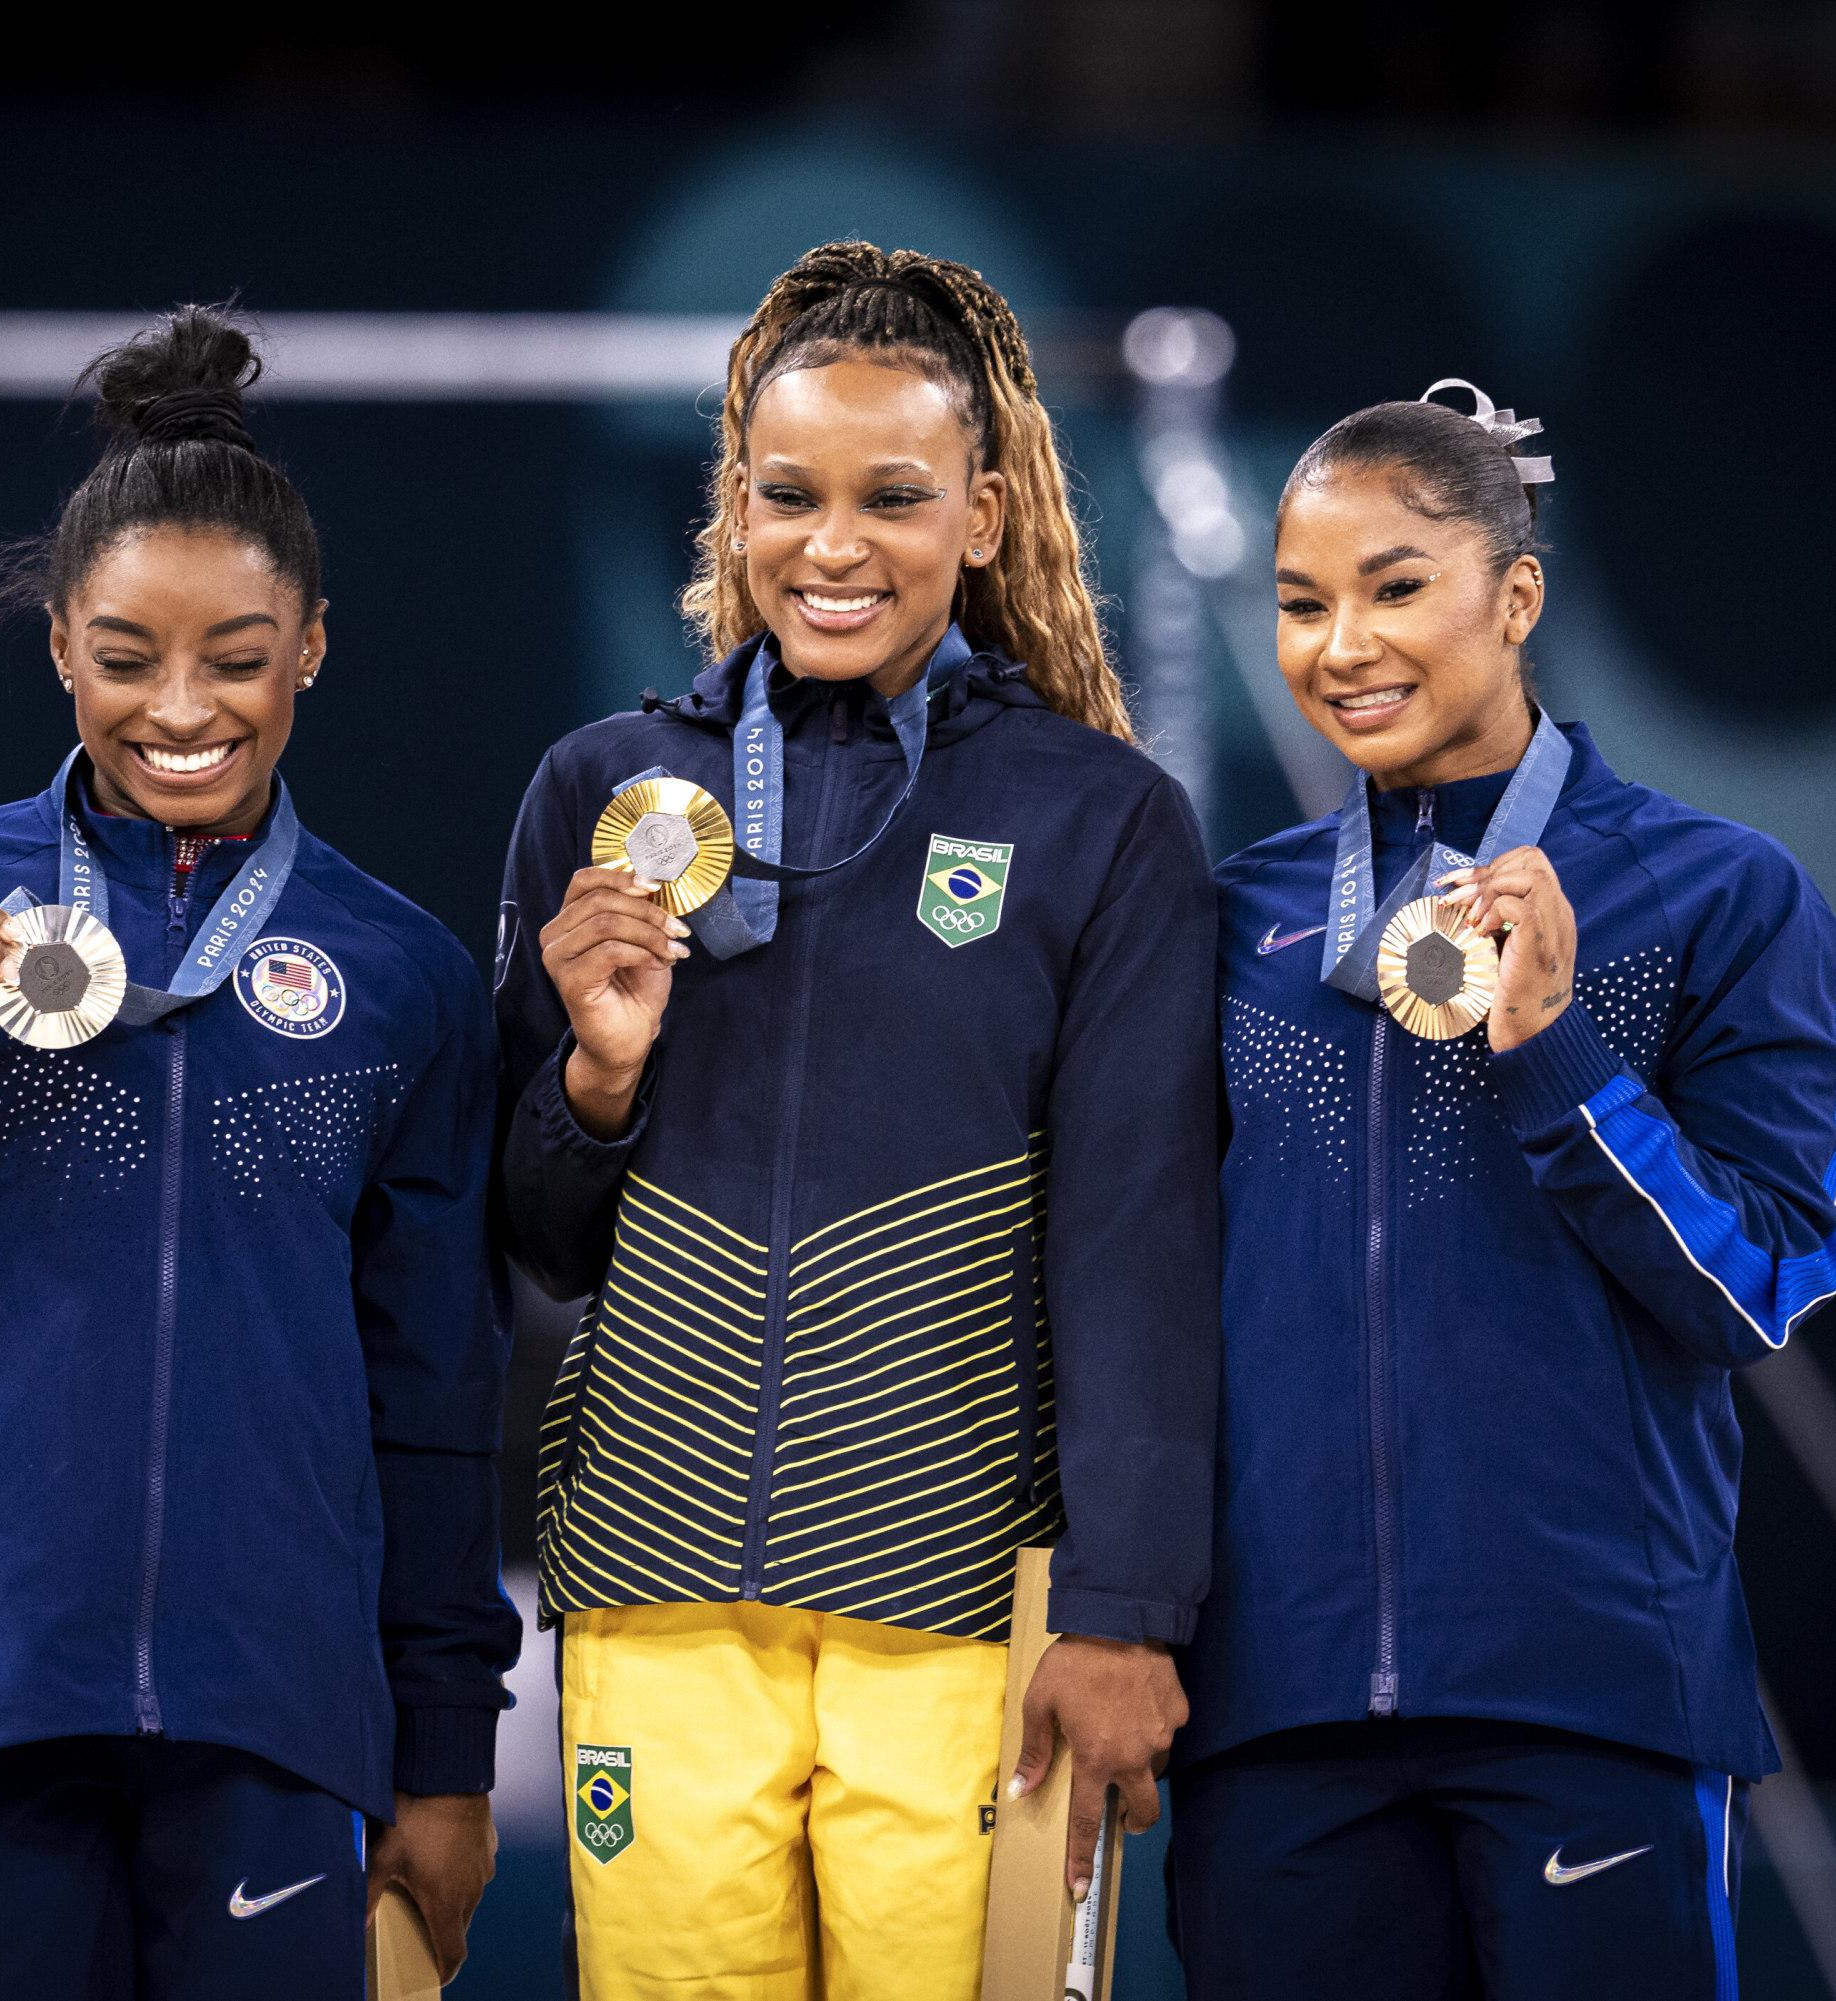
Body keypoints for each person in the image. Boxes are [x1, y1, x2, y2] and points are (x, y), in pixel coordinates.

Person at [0, 307, 516, 1998]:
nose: (184, 707)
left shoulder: (402, 975)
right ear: (61, 646)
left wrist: (444, 1749)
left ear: (314, 651)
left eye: (237, 653)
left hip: (279, 1721)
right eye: (129, 655)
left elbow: (435, 1403)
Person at [492, 241, 1218, 2000]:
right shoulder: (605, 792)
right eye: (789, 493)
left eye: (893, 497)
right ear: (732, 506)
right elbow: (525, 1227)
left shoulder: (1099, 816)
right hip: (655, 1591)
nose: (835, 544)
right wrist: (593, 1076)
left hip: (962, 1599)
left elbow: (1138, 1238)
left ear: (982, 513)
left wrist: (1126, 1604)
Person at [1172, 382, 1836, 1997]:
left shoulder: (1721, 894)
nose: (1344, 643)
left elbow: (1752, 1283)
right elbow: (1146, 1288)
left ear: (1518, 593)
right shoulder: (1235, 921)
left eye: (1396, 585)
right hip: (1280, 1716)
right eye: (1301, 602)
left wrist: (1555, 1050)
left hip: (1592, 1695)